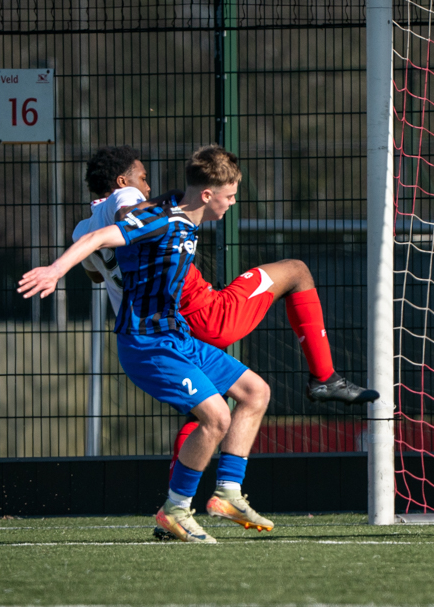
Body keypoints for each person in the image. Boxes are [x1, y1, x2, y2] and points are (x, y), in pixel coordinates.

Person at [20, 145, 272, 544]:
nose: (233, 202)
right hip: (146, 343)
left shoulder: (180, 208)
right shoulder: (157, 218)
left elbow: (99, 260)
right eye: (230, 194)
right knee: (216, 417)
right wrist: (55, 270)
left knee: (255, 392)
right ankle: (175, 510)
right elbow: (103, 234)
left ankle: (227, 493)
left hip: (176, 337)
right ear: (208, 195)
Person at [73, 145, 378, 410]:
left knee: (208, 415)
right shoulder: (128, 200)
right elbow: (127, 211)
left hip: (167, 332)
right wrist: (162, 208)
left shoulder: (82, 231)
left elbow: (96, 276)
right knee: (297, 270)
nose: (148, 187)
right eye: (143, 178)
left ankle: (197, 480)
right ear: (122, 181)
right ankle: (325, 378)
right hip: (208, 314)